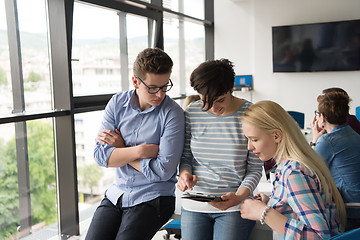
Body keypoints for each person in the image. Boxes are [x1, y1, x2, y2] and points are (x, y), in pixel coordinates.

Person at [85, 48, 185, 240]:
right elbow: (101, 156)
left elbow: (163, 171)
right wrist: (140, 151)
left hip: (154, 197)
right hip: (117, 194)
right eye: (153, 87)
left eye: (165, 86)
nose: (160, 94)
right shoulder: (117, 103)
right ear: (135, 82)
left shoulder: (173, 113)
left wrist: (121, 150)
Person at [177, 59, 263, 240]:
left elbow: (255, 168)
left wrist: (239, 197)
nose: (213, 108)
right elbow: (186, 156)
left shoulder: (250, 114)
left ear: (231, 89)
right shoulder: (192, 112)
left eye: (220, 100)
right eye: (205, 101)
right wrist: (185, 174)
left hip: (235, 205)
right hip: (195, 203)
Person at [240, 100, 346, 239]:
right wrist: (271, 202)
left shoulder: (293, 173)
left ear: (276, 136)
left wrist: (264, 213)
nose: (249, 147)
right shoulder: (291, 166)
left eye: (254, 139)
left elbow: (319, 237)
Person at [311, 91, 360, 231]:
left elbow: (308, 169)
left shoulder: (327, 141)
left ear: (321, 117)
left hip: (351, 208)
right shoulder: (353, 133)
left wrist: (315, 140)